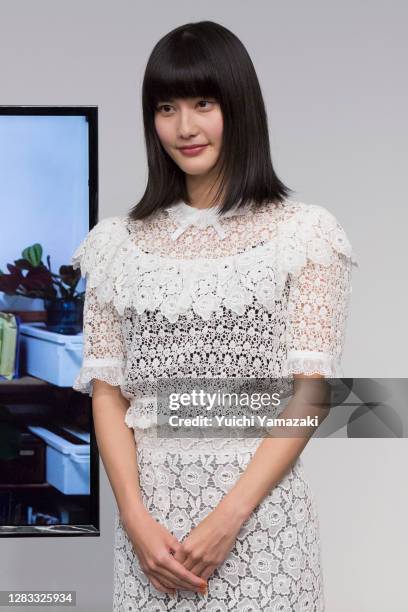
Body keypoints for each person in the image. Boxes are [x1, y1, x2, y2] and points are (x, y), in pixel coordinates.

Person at [71, 20, 358, 612]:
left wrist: (229, 519)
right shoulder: (113, 245)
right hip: (151, 539)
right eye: (166, 107)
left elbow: (310, 393)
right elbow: (107, 393)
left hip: (260, 525)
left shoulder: (303, 234)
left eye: (204, 103)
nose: (184, 127)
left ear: (239, 106)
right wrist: (133, 518)